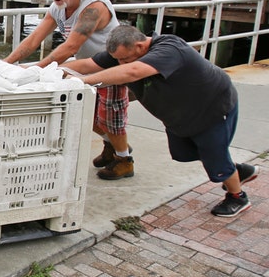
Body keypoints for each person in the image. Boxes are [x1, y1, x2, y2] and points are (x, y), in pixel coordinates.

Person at [63, 25, 260, 217]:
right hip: (181, 115)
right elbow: (86, 64)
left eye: (124, 59)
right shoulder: (122, 54)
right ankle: (236, 170)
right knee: (186, 152)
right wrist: (46, 69)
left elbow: (133, 71)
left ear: (140, 46)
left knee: (213, 154)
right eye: (118, 60)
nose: (120, 63)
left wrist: (82, 82)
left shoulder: (170, 48)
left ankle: (237, 196)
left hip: (211, 108)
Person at [4, 0, 133, 180]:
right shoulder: (56, 7)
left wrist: (35, 68)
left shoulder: (94, 7)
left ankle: (124, 160)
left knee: (111, 117)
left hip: (112, 65)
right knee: (85, 115)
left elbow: (71, 47)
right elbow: (34, 39)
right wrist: (7, 63)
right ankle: (112, 146)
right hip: (86, 64)